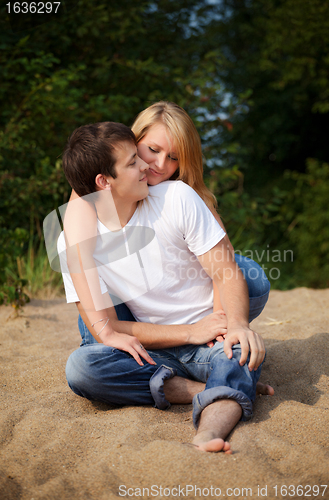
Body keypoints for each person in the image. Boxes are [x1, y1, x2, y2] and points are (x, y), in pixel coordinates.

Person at [58, 120, 270, 454]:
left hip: (210, 337)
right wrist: (188, 332)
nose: (150, 166)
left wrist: (235, 324)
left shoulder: (177, 196)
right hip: (152, 347)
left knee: (237, 347)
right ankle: (206, 387)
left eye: (169, 157)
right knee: (82, 367)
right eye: (136, 160)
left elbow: (226, 270)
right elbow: (106, 328)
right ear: (104, 181)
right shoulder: (74, 240)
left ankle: (208, 430)